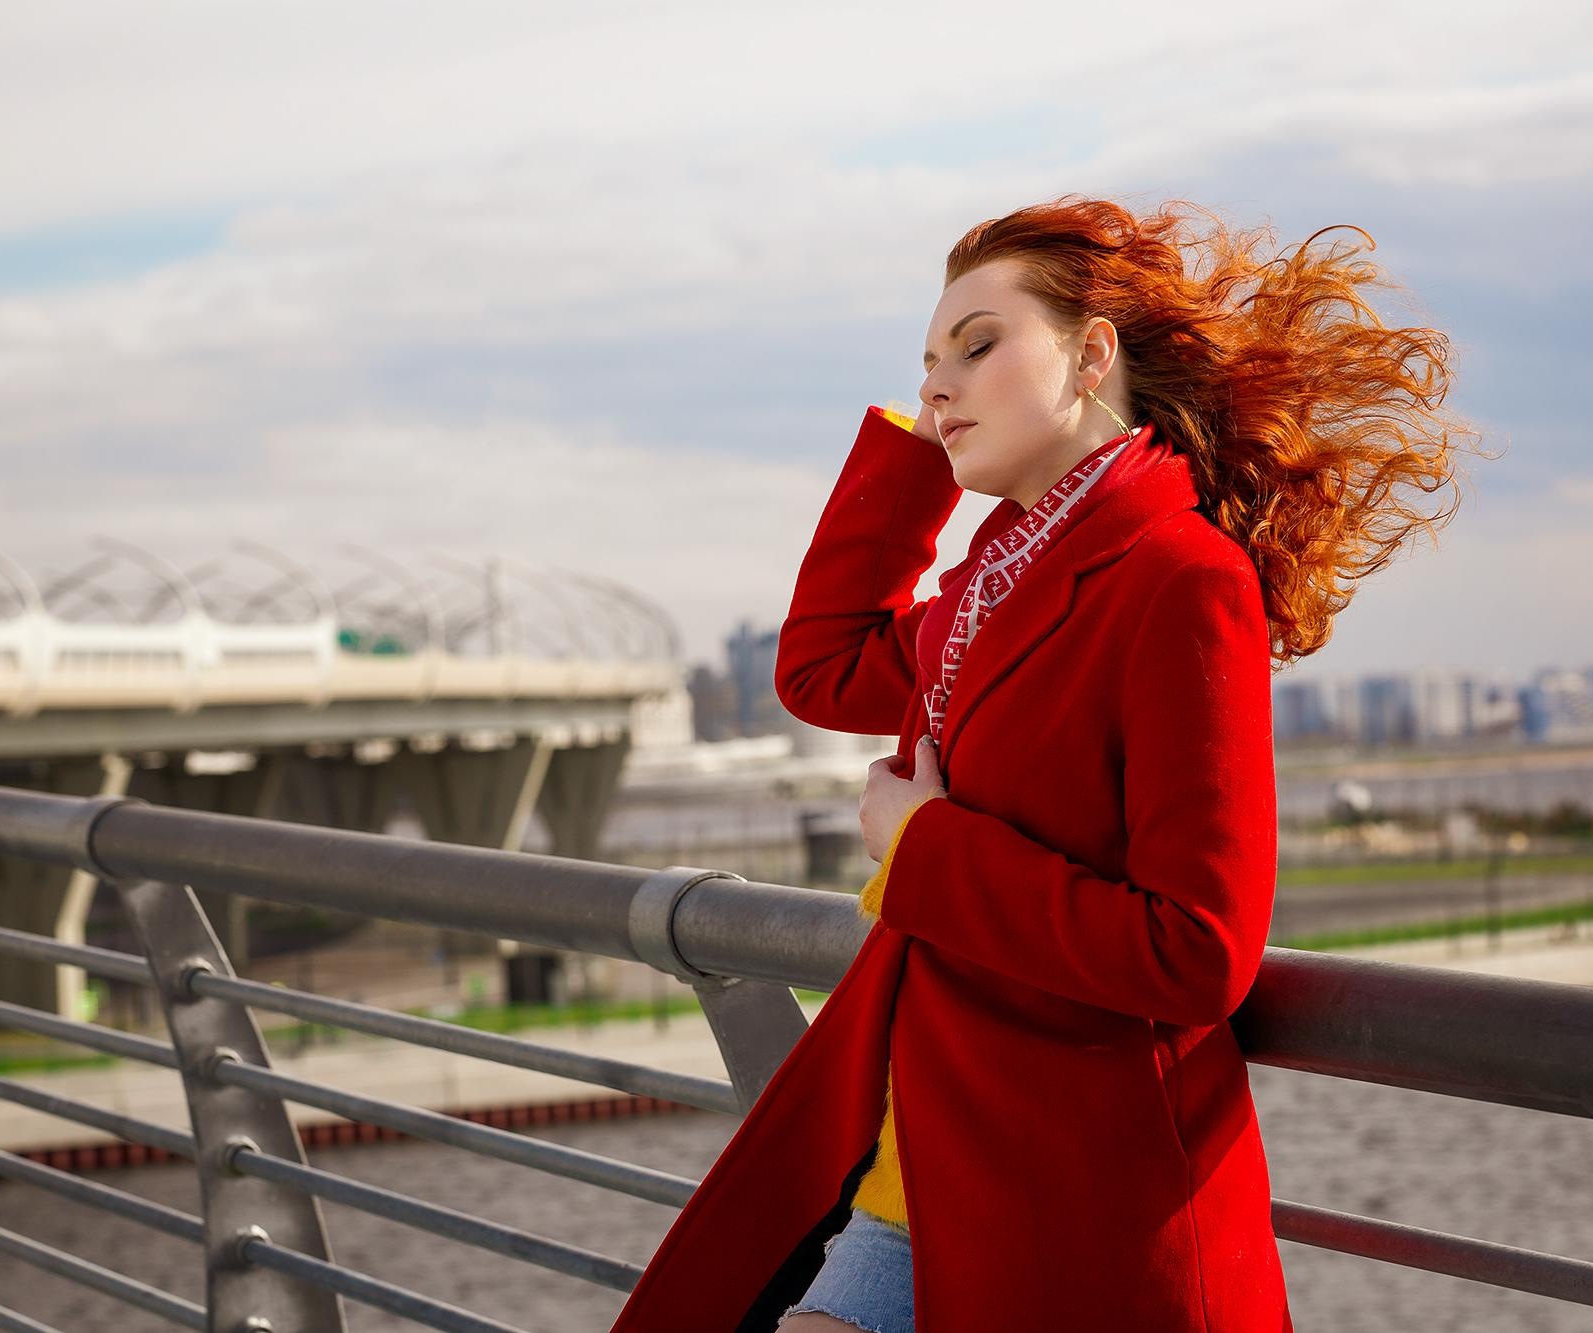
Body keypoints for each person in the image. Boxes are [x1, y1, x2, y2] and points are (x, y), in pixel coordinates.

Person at [608, 195, 1475, 1333]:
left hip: (1073, 1204)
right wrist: (920, 449)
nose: (938, 382)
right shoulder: (990, 586)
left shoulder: (1179, 578)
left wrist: (924, 845)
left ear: (1091, 354)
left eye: (977, 346)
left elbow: (1196, 949)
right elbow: (822, 669)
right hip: (915, 1168)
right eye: (926, 361)